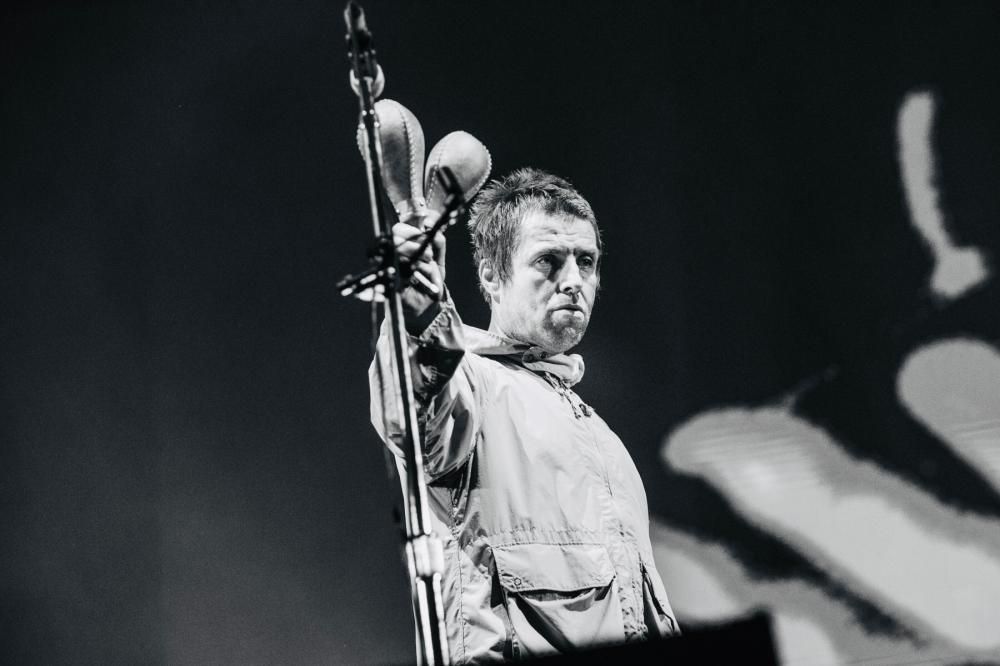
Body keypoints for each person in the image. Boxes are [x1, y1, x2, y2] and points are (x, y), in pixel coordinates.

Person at [370, 168, 679, 663]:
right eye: (548, 261)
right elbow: (415, 405)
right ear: (491, 276)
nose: (573, 281)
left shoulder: (599, 434)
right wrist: (420, 311)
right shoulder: (473, 385)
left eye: (586, 261)